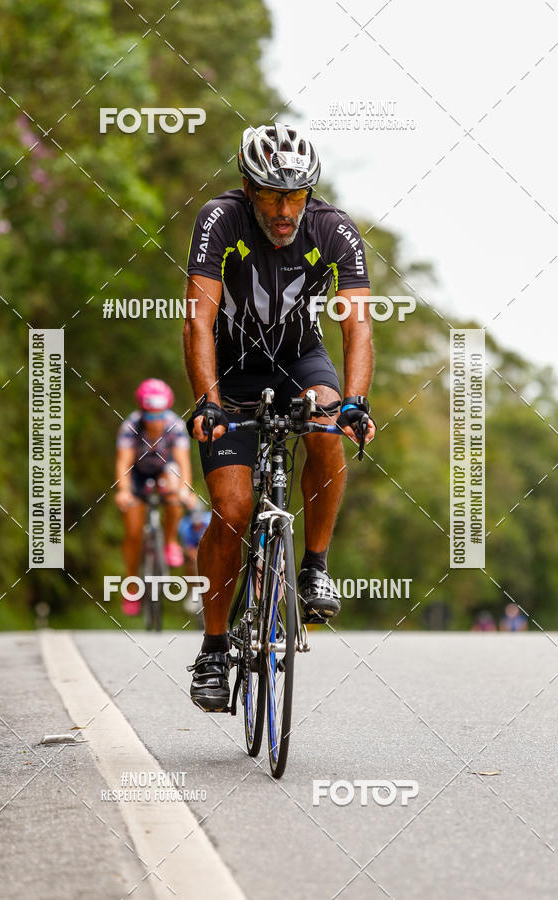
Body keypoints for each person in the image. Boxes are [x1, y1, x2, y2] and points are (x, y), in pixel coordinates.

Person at [183, 123, 376, 711]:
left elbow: (358, 323)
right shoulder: (220, 220)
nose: (285, 208)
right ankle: (215, 647)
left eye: (297, 195)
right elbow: (197, 319)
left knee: (326, 428)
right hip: (232, 370)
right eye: (271, 194)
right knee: (235, 508)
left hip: (299, 359)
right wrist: (210, 402)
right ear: (247, 186)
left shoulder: (333, 228)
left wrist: (355, 401)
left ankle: (314, 566)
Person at [114, 379, 193, 615]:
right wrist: (124, 490)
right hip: (137, 473)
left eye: (159, 415)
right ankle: (131, 586)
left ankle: (169, 541)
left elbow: (183, 463)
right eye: (149, 416)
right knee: (133, 532)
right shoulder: (130, 426)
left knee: (174, 489)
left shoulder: (175, 426)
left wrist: (184, 489)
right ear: (142, 412)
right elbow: (123, 463)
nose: (155, 422)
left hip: (165, 470)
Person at [178, 503, 212, 617]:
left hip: (208, 546)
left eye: (199, 524)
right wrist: (194, 555)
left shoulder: (209, 521)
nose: (197, 526)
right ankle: (193, 590)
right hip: (193, 547)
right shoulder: (184, 526)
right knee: (190, 561)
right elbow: (187, 547)